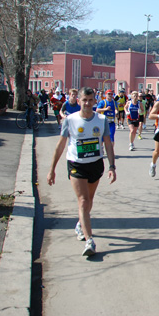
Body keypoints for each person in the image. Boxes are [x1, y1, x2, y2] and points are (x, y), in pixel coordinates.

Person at [47, 87, 116, 256]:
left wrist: (112, 166)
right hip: (76, 164)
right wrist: (52, 169)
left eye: (90, 100)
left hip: (95, 164)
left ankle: (80, 224)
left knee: (89, 200)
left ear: (94, 101)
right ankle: (89, 240)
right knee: (83, 201)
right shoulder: (70, 120)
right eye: (84, 100)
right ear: (78, 101)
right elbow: (61, 145)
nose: (87, 103)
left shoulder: (101, 120)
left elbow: (107, 143)